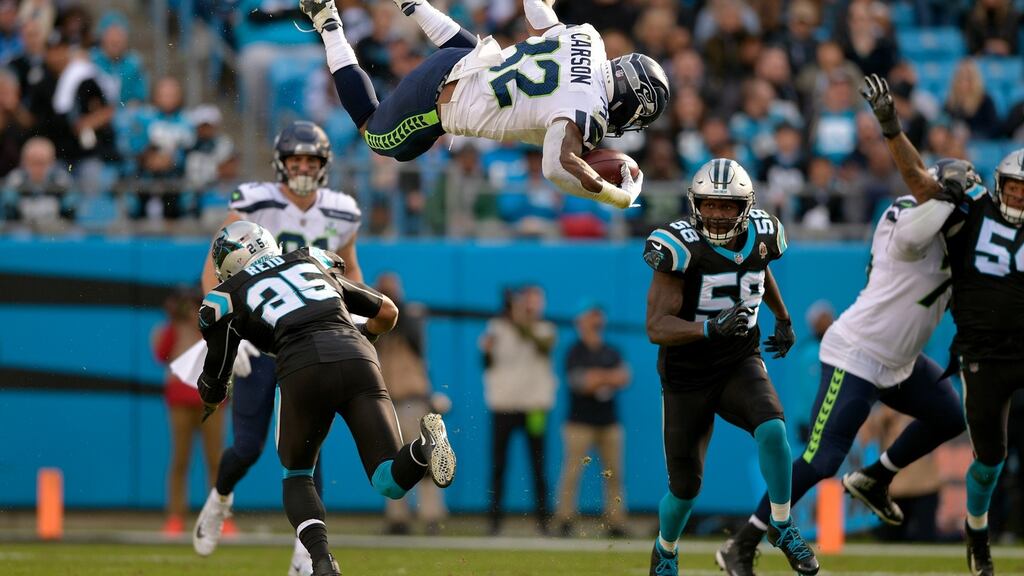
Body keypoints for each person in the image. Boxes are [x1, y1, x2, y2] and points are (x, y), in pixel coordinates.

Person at [714, 157, 970, 576]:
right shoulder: (904, 214)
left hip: (899, 362)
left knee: (947, 414)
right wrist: (949, 198)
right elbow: (913, 234)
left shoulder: (953, 237)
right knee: (822, 460)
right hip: (857, 354)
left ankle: (875, 477)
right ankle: (741, 544)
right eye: (949, 200)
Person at [197, 221, 456, 576]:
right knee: (388, 480)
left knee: (297, 474)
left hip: (301, 369)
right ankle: (424, 447)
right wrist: (362, 337)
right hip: (359, 356)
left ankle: (322, 561)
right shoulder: (310, 259)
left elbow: (215, 379)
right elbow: (388, 313)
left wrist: (211, 397)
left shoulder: (227, 296)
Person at [861, 72, 1024, 576]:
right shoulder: (971, 209)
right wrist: (892, 128)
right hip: (985, 354)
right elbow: (919, 182)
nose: (1019, 196)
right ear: (999, 186)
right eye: (1014, 187)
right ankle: (977, 532)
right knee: (990, 460)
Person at [299, 0, 669, 209]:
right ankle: (328, 21)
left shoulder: (588, 39)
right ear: (629, 99)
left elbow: (537, 11)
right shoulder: (587, 113)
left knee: (412, 147)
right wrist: (616, 196)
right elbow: (557, 168)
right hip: (436, 99)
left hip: (467, 59)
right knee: (374, 132)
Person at [193, 120, 362, 576]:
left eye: (311, 160)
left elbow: (352, 272)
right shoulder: (256, 201)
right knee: (247, 446)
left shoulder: (342, 211)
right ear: (281, 164)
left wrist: (354, 319)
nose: (303, 167)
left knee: (310, 450)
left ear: (324, 165)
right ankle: (219, 498)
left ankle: (306, 551)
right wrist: (227, 326)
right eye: (296, 160)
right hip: (258, 335)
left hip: (308, 340)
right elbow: (215, 265)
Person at [643, 158, 817, 576]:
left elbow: (760, 269)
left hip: (739, 358)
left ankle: (780, 523)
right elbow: (656, 326)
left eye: (727, 206)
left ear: (746, 206)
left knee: (772, 427)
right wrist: (708, 329)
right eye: (710, 205)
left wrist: (784, 316)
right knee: (685, 489)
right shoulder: (679, 247)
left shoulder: (763, 232)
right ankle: (666, 549)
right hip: (687, 374)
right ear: (695, 204)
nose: (718, 214)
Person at [374, 272, 448, 535]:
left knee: (426, 460)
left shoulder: (409, 317)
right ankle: (397, 518)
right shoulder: (375, 324)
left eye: (391, 289)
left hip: (413, 401)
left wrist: (392, 303)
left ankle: (431, 516)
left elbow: (409, 330)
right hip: (387, 401)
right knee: (392, 463)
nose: (388, 294)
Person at [480, 284, 557, 535]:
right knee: (498, 465)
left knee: (538, 465)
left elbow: (541, 345)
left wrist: (521, 319)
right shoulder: (497, 327)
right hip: (503, 406)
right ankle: (494, 521)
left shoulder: (546, 329)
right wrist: (486, 349)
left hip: (534, 407)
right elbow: (486, 363)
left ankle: (543, 521)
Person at [553, 301, 630, 538]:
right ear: (581, 321)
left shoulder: (611, 350)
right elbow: (581, 383)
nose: (596, 322)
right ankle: (565, 519)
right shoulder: (574, 351)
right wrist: (607, 377)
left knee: (615, 473)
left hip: (609, 422)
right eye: (591, 317)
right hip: (579, 422)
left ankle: (616, 521)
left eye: (599, 317)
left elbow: (625, 377)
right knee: (572, 472)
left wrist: (598, 376)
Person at [152, 287, 225, 536]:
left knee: (216, 461)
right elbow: (161, 354)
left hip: (211, 402)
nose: (193, 312)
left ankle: (220, 519)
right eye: (189, 307)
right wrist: (173, 324)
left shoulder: (215, 327)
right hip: (180, 401)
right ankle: (175, 516)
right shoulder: (173, 329)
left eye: (197, 306)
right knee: (180, 460)